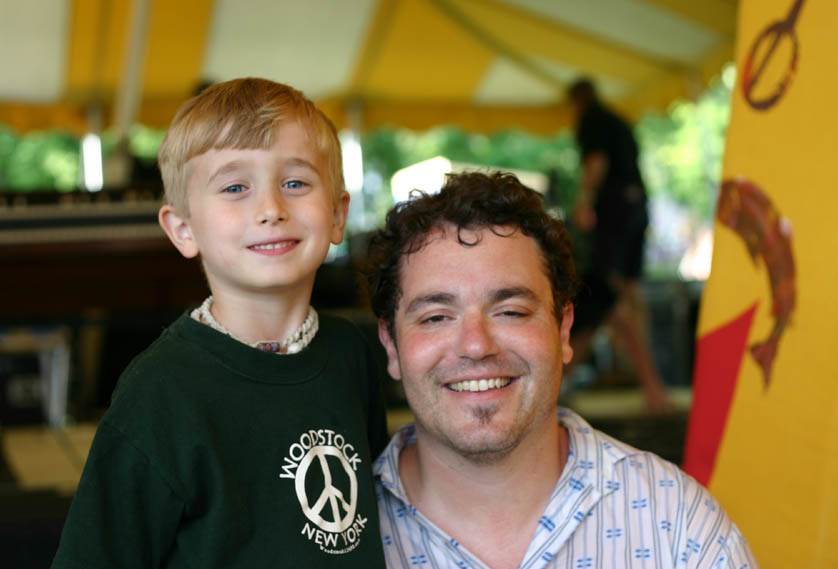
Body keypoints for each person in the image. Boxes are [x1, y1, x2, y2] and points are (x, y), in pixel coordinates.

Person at [51, 78, 388, 568]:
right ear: (183, 230)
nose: (271, 209)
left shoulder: (349, 353)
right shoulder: (160, 393)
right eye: (235, 188)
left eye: (295, 183)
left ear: (338, 214)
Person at [365, 172, 756, 569]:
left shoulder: (680, 530)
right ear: (391, 345)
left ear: (564, 329)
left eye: (511, 312)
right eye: (435, 317)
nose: (476, 345)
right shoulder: (339, 533)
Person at [567, 78, 672, 414]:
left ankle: (640, 376)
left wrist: (584, 200)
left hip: (614, 210)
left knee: (610, 298)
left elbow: (596, 161)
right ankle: (641, 377)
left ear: (576, 102)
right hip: (635, 206)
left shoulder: (593, 120)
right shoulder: (619, 121)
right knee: (623, 294)